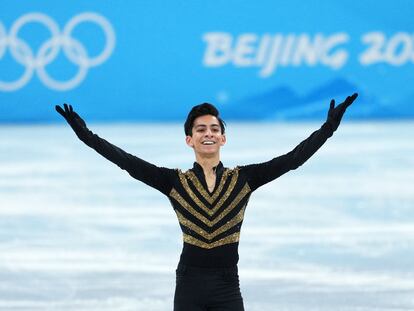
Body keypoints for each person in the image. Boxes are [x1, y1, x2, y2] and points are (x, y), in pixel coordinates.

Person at [55, 92, 358, 311]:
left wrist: (327, 129)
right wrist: (87, 136)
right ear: (189, 140)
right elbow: (126, 161)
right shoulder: (175, 182)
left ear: (223, 138)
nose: (208, 133)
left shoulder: (243, 179)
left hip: (228, 284)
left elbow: (293, 159)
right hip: (190, 283)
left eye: (214, 129)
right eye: (200, 129)